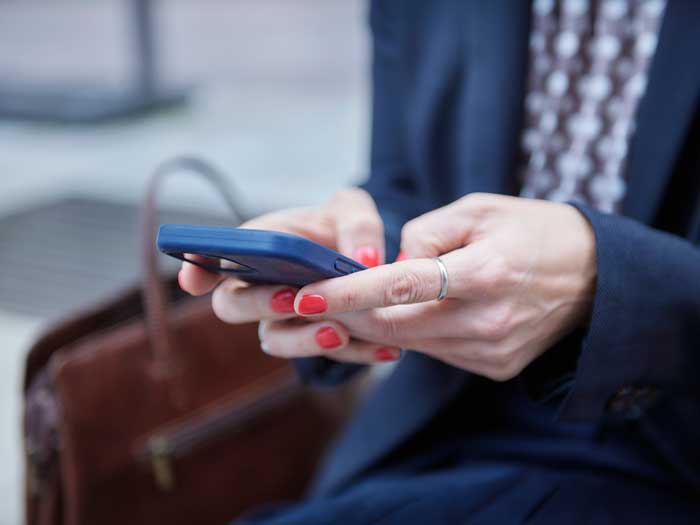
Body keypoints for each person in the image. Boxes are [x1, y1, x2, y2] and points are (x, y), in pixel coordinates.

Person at [180, 0, 700, 523]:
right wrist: (353, 256)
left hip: (670, 453)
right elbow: (406, 183)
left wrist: (605, 278)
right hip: (447, 421)